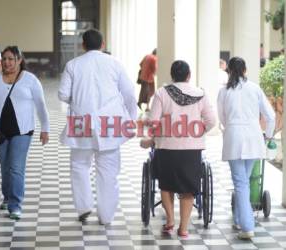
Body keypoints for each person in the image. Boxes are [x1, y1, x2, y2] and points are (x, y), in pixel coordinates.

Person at [58, 29, 137, 224]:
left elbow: (62, 94)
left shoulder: (72, 65)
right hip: (110, 123)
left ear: (82, 45)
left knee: (79, 166)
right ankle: (106, 216)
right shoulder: (115, 63)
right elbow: (129, 93)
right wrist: (131, 119)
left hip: (81, 122)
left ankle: (84, 207)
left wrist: (77, 99)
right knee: (108, 170)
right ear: (103, 44)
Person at [145, 60, 216, 239]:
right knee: (188, 189)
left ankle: (170, 221)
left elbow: (152, 121)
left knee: (166, 184)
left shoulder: (162, 93)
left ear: (172, 75)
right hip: (191, 149)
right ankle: (183, 229)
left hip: (166, 148)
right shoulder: (200, 94)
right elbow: (211, 121)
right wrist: (197, 131)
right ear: (189, 75)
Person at [0, 46, 50, 220]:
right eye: (4, 59)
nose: (6, 62)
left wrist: (45, 128)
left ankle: (15, 204)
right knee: (5, 167)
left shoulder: (30, 80)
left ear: (19, 60)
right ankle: (7, 197)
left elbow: (41, 106)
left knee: (15, 168)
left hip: (22, 130)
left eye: (10, 59)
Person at [217, 57, 275, 239]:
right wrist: (268, 135)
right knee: (244, 181)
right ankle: (239, 218)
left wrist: (232, 127)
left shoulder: (224, 91)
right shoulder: (255, 88)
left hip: (234, 137)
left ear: (229, 71)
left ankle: (247, 226)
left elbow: (222, 118)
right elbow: (271, 116)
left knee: (241, 183)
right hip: (254, 137)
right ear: (245, 70)